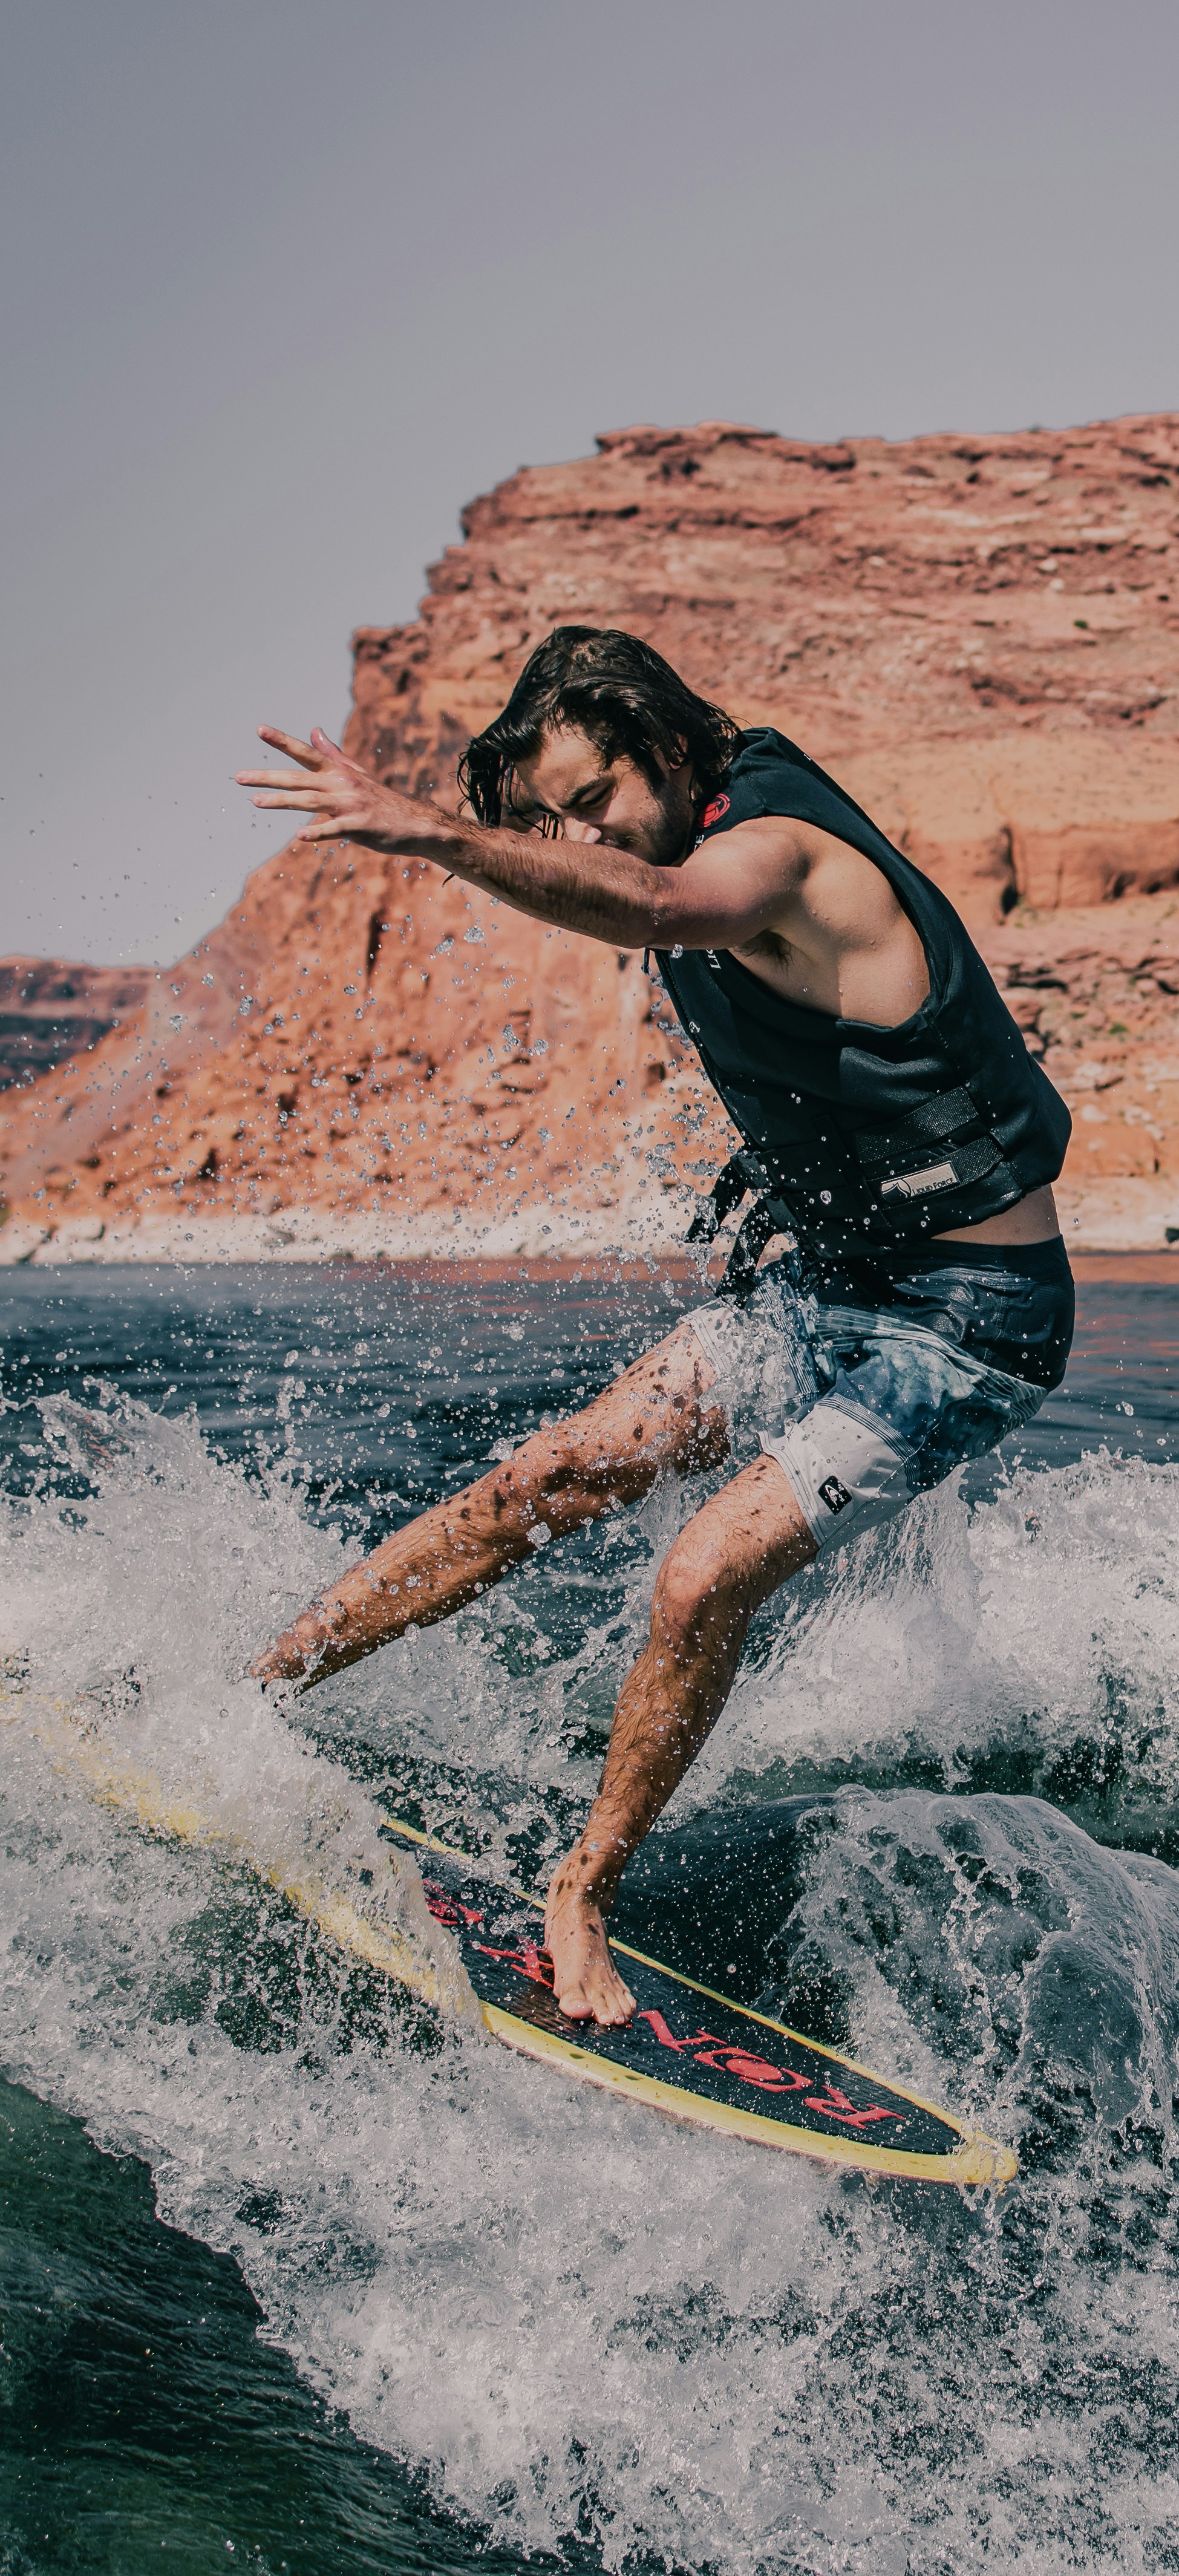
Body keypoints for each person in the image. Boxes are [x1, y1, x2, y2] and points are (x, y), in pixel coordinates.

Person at [237, 628, 1073, 2026]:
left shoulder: (781, 858)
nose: (578, 834)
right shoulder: (689, 826)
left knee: (696, 1581)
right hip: (834, 1290)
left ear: (670, 747)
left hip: (969, 1327)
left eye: (591, 798)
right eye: (548, 819)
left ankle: (583, 1897)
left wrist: (432, 839)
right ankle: (252, 1694)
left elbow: (661, 905)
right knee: (546, 1478)